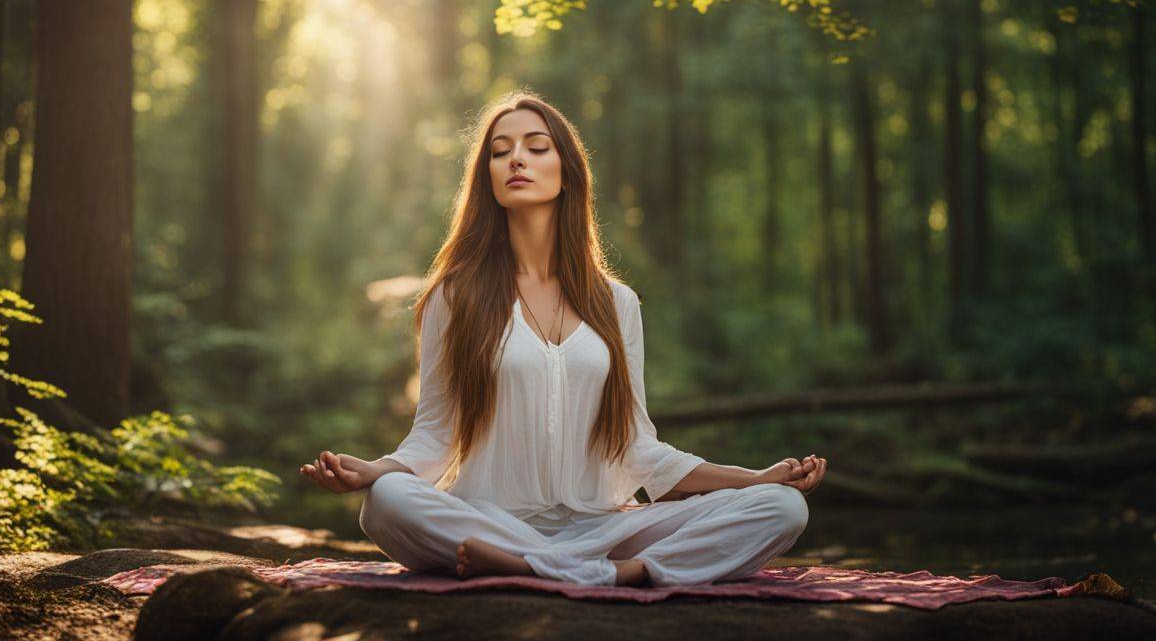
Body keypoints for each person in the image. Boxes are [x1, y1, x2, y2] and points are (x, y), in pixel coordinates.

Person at [301, 90, 827, 587]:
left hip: (604, 527)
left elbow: (640, 448)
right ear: (486, 178)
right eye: (500, 152)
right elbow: (434, 436)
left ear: (568, 172)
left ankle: (548, 568)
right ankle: (614, 573)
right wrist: (374, 470)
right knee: (388, 501)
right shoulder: (455, 296)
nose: (515, 160)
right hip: (489, 521)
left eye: (535, 146)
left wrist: (755, 479)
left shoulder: (616, 303)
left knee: (782, 508)